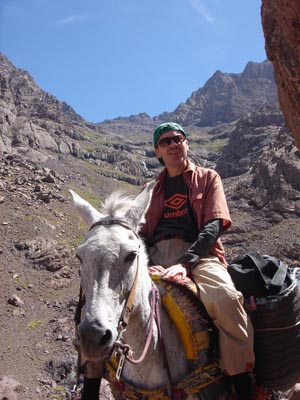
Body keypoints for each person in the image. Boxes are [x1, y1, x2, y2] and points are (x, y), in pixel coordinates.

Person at [139, 122, 257, 400]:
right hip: (155, 255)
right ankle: (94, 379)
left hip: (200, 254)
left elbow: (214, 224)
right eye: (165, 141)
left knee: (226, 299)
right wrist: (143, 264)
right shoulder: (149, 189)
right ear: (157, 151)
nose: (173, 144)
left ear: (186, 143)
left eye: (178, 138)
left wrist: (186, 263)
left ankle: (241, 382)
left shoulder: (207, 177)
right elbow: (141, 233)